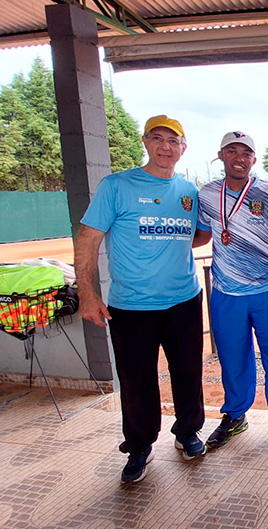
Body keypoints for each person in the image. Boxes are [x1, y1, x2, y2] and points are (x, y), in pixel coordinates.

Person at [75, 114, 206, 483]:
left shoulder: (189, 192)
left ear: (184, 148)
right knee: (136, 380)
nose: (166, 146)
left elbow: (195, 236)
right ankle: (139, 447)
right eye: (158, 138)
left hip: (184, 301)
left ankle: (187, 432)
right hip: (131, 306)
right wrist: (87, 293)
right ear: (146, 142)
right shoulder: (116, 186)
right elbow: (88, 238)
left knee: (187, 372)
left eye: (174, 140)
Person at [194, 132, 268, 450]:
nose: (239, 157)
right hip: (226, 293)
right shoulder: (208, 194)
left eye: (246, 153)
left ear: (254, 159)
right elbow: (200, 236)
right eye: (232, 151)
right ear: (221, 155)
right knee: (232, 358)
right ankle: (236, 416)